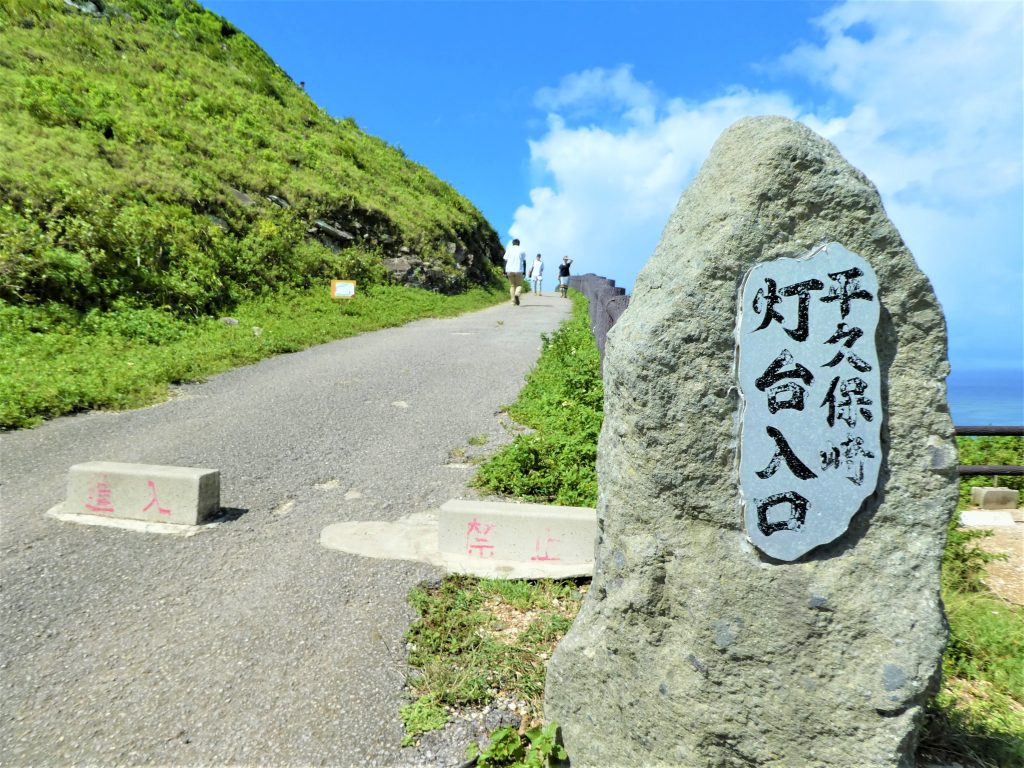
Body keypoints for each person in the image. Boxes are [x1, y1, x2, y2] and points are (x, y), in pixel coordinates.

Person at [503, 238, 524, 305]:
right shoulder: (522, 250)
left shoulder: (509, 250)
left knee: (512, 285)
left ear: (512, 243)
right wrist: (524, 272)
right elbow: (524, 261)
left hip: (509, 269)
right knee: (519, 285)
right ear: (519, 244)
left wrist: (504, 271)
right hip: (518, 270)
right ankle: (517, 294)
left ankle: (513, 302)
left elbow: (505, 260)